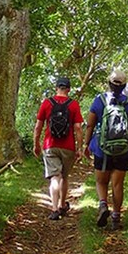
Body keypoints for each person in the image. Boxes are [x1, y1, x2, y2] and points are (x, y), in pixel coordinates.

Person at [84, 70, 128, 230]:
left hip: (102, 148)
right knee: (118, 184)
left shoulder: (99, 101)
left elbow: (90, 124)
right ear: (124, 86)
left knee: (101, 181)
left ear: (109, 84)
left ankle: (103, 204)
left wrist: (86, 144)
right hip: (123, 149)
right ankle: (116, 218)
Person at [33, 77, 84, 220]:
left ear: (56, 88)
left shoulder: (47, 103)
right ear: (68, 89)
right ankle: (62, 205)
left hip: (50, 145)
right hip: (68, 147)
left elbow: (38, 126)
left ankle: (54, 209)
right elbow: (78, 128)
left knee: (55, 177)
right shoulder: (73, 105)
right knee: (64, 177)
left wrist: (36, 144)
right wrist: (80, 148)